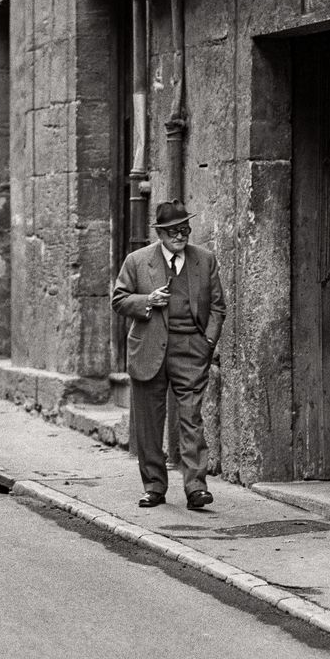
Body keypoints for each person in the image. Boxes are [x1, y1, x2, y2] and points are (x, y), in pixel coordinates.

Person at [112, 199, 226, 510]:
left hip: (191, 350)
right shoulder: (137, 261)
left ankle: (196, 488)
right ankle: (154, 486)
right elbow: (119, 300)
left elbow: (218, 307)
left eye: (185, 229)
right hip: (148, 347)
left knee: (191, 418)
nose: (181, 235)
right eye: (174, 231)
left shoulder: (205, 260)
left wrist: (207, 343)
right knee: (149, 422)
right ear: (160, 234)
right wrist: (147, 300)